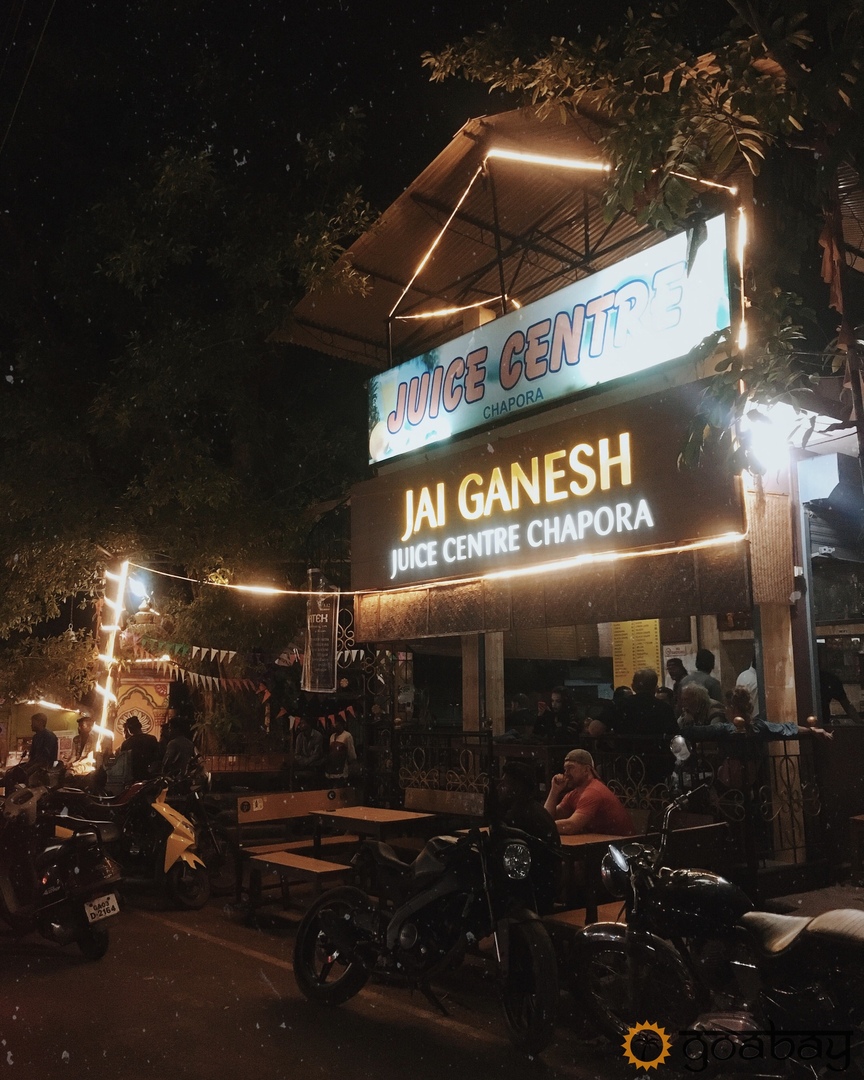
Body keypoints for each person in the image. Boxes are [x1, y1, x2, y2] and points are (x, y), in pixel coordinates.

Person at [496, 760, 561, 913]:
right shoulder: (534, 810)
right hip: (543, 890)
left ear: (517, 788)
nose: (499, 788)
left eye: (505, 784)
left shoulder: (520, 815)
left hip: (532, 895)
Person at [543, 748, 634, 835]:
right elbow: (547, 817)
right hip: (601, 842)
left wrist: (542, 827)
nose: (566, 773)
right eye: (565, 769)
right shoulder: (574, 794)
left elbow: (571, 826)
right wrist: (554, 791)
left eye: (571, 768)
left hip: (621, 843)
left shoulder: (593, 791)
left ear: (586, 770)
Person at [68, 714, 106, 792]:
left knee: (71, 773)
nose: (79, 727)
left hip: (88, 765)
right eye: (79, 725)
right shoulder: (76, 739)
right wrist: (68, 763)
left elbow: (89, 758)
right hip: (77, 765)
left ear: (89, 727)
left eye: (82, 725)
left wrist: (74, 764)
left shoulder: (94, 740)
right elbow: (73, 755)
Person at [120, 714, 162, 781]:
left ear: (129, 729)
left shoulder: (127, 743)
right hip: (150, 776)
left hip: (133, 776)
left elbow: (123, 763)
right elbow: (157, 758)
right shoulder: (151, 739)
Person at [323, 715, 357, 785]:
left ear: (341, 724)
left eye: (335, 723)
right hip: (331, 769)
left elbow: (351, 753)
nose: (333, 725)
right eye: (332, 723)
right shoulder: (332, 736)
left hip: (341, 770)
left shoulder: (347, 735)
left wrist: (350, 762)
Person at [293, 715, 325, 787]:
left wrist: (306, 762)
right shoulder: (299, 737)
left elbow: (316, 755)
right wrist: (304, 762)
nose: (300, 725)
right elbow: (297, 754)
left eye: (302, 723)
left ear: (309, 724)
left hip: (315, 765)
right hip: (303, 765)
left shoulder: (318, 736)